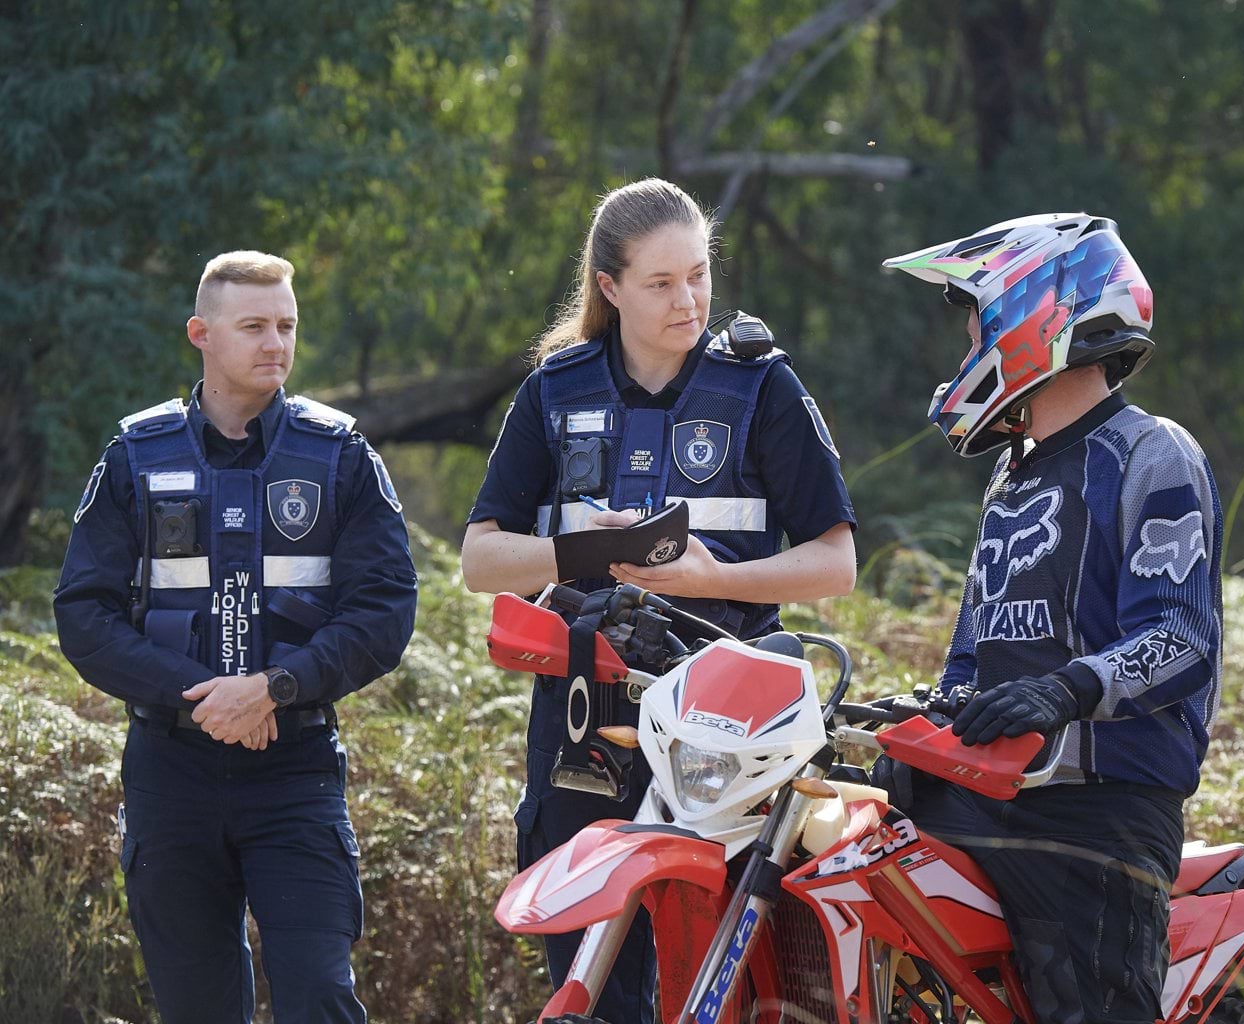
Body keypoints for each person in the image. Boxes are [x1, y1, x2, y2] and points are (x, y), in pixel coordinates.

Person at [462, 177, 857, 1022]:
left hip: (730, 728)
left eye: (700, 276)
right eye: (661, 283)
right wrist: (586, 553)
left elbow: (836, 563)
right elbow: (480, 559)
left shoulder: (762, 388)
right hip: (582, 712)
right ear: (608, 287)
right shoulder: (554, 389)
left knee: (721, 986)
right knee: (594, 982)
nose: (690, 301)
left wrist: (716, 580)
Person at [54, 251, 418, 1024]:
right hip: (171, 775)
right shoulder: (134, 459)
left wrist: (272, 689)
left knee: (319, 994)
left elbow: (385, 610)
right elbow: (82, 614)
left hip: (295, 773)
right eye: (253, 326)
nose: (275, 343)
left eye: (286, 325)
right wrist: (202, 698)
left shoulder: (342, 456)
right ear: (201, 334)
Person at [880, 214, 1223, 1024]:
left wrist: (1067, 690)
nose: (965, 356)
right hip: (992, 795)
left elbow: (1181, 639)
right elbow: (972, 652)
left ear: (1034, 316)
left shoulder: (1151, 454)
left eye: (974, 333)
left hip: (1098, 813)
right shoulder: (1011, 478)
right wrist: (930, 720)